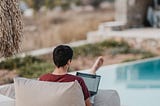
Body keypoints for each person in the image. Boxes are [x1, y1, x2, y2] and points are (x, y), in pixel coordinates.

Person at [39, 45, 103, 106]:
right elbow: (88, 105)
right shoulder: (76, 81)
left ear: (54, 60)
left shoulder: (42, 79)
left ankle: (92, 71)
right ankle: (92, 71)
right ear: (69, 62)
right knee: (92, 97)